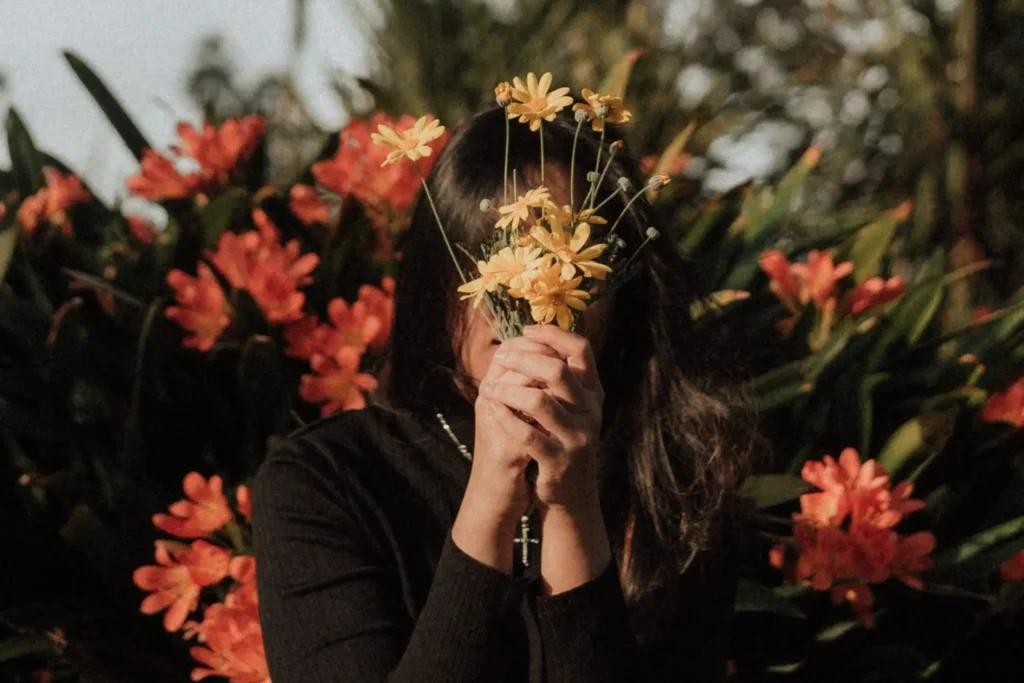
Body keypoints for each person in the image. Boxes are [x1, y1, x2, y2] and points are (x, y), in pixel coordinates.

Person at [252, 105, 760, 683]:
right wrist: (491, 496)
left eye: (561, 262)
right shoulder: (324, 480)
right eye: (489, 261)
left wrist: (571, 504)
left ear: (621, 293)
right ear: (440, 280)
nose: (520, 293)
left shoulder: (678, 480)